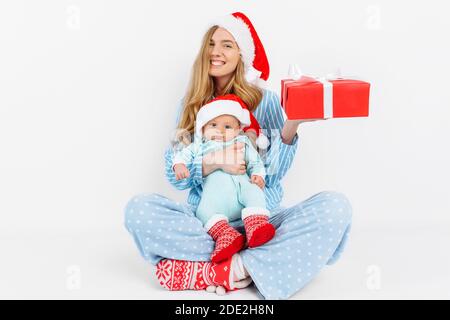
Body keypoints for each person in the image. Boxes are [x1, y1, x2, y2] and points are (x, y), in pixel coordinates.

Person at [124, 12, 353, 299]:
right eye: (211, 43)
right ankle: (255, 263)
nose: (216, 52)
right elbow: (175, 175)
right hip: (208, 223)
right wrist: (213, 163)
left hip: (261, 221)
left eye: (227, 45)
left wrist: (291, 126)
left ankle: (222, 268)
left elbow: (274, 174)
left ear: (242, 54)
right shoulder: (191, 105)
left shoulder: (265, 101)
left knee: (335, 208)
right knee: (139, 210)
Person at [172, 94, 275, 264]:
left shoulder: (242, 142)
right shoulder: (199, 146)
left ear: (237, 130)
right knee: (203, 212)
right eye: (213, 125)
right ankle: (226, 235)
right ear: (203, 129)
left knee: (255, 193)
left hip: (242, 189)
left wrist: (258, 175)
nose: (219, 131)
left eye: (227, 126)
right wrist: (180, 166)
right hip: (215, 199)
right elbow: (181, 156)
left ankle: (256, 226)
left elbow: (255, 161)